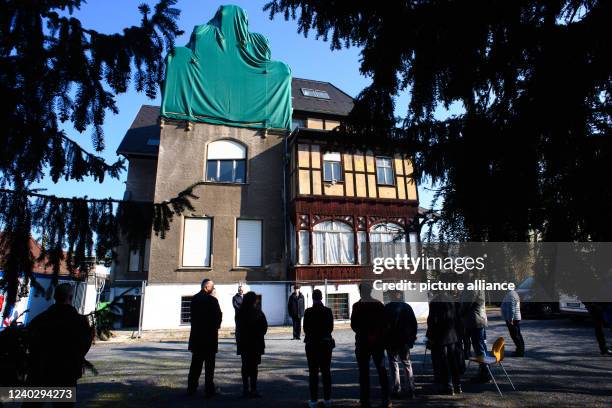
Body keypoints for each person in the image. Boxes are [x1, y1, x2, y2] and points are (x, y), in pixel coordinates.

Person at [26, 283, 93, 398]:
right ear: (71, 298)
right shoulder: (79, 321)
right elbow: (84, 345)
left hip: (40, 370)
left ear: (55, 297)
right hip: (66, 372)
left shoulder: (40, 319)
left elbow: (30, 342)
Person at [351, 283, 391, 408]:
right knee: (381, 371)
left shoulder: (357, 306)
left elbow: (354, 325)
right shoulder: (378, 305)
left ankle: (365, 400)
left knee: (364, 373)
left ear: (360, 292)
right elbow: (385, 324)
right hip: (377, 343)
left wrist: (363, 333)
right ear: (370, 291)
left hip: (363, 343)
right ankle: (386, 399)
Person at [187, 279, 222, 398]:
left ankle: (191, 388)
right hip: (209, 338)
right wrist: (215, 299)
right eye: (213, 286)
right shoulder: (212, 300)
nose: (214, 289)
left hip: (197, 338)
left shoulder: (194, 299)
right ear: (207, 287)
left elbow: (192, 317)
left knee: (195, 366)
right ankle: (209, 390)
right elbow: (218, 318)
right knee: (209, 367)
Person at [426, 292, 462, 395]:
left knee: (444, 362)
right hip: (452, 336)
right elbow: (456, 319)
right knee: (452, 360)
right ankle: (457, 385)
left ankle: (448, 386)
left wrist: (430, 336)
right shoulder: (451, 301)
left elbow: (432, 321)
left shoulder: (434, 303)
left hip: (440, 337)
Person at [303, 289, 334, 408]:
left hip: (312, 345)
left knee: (313, 373)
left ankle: (314, 401)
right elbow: (330, 328)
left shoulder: (308, 312)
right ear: (321, 298)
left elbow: (305, 329)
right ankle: (327, 400)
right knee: (326, 372)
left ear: (312, 298)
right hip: (325, 344)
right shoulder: (328, 311)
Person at [384, 291, 417, 399]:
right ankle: (411, 389)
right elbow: (414, 324)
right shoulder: (407, 307)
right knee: (407, 364)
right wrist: (411, 339)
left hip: (391, 341)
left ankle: (396, 389)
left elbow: (383, 326)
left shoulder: (387, 308)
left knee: (393, 365)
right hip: (404, 341)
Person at [236, 291, 268, 398]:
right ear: (254, 300)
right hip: (255, 343)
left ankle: (245, 388)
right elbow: (264, 327)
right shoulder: (258, 312)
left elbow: (238, 328)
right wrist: (259, 334)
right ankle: (253, 389)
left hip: (244, 343)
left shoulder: (240, 312)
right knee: (254, 367)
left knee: (245, 366)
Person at [459, 287, 490, 383]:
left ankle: (485, 373)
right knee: (481, 346)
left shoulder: (473, 286)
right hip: (478, 320)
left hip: (475, 321)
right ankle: (485, 372)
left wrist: (458, 313)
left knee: (479, 347)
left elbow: (467, 304)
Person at [501, 288, 525, 357]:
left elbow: (511, 308)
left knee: (515, 336)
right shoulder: (513, 293)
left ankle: (520, 352)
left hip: (513, 319)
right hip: (515, 318)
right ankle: (520, 350)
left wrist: (510, 319)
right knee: (517, 335)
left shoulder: (510, 295)